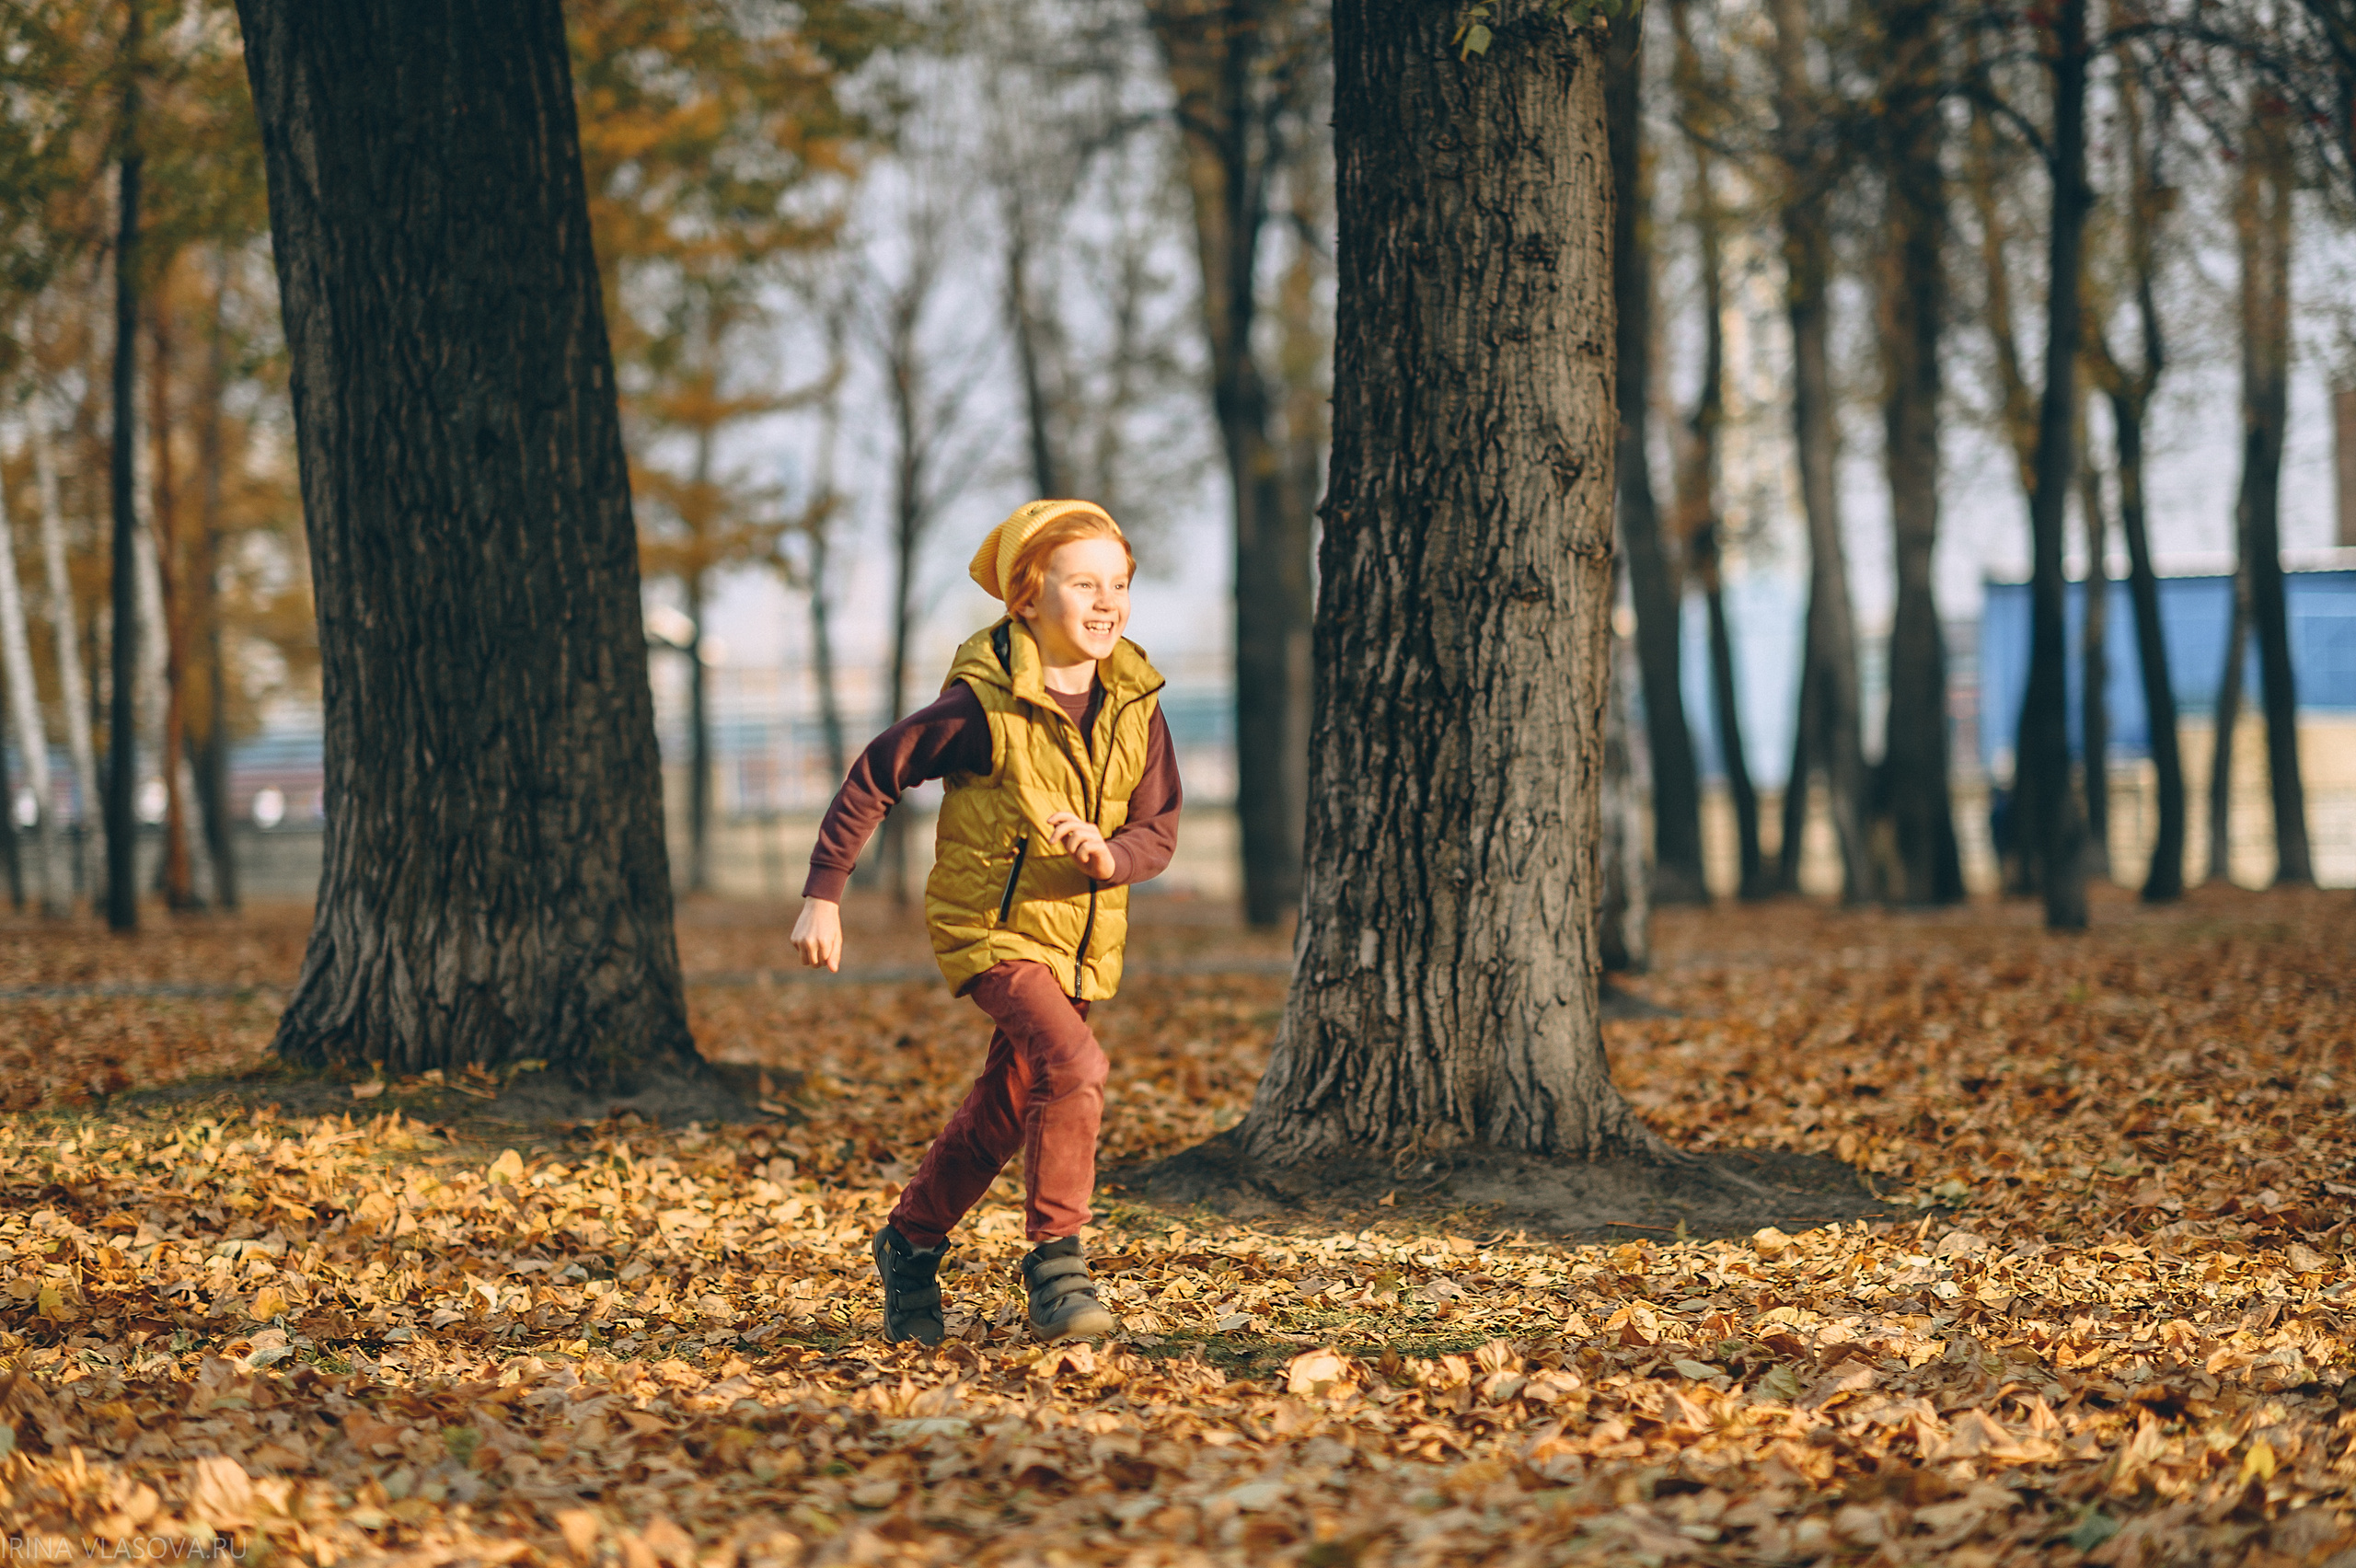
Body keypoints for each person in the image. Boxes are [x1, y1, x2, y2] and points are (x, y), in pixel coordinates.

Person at [791, 499, 1183, 1344]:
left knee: (1005, 1108)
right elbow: (875, 774)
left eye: (1119, 583)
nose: (1106, 601)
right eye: (1084, 583)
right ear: (1028, 598)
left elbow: (1157, 831)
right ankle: (1058, 1266)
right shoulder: (982, 706)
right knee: (1074, 1066)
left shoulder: (1137, 704)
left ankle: (910, 1242)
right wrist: (825, 890)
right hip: (993, 931)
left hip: (1078, 936)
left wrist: (1108, 858)